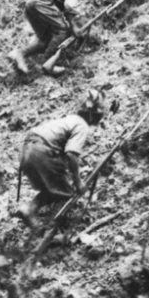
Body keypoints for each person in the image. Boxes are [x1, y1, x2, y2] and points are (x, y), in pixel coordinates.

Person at [17, 89, 105, 228]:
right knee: (66, 193)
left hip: (27, 152)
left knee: (54, 189)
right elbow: (71, 154)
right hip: (42, 152)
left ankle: (30, 210)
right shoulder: (81, 125)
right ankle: (53, 226)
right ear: (92, 115)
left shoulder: (68, 119)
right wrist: (78, 181)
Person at [8, 0, 103, 75]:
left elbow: (66, 9)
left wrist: (74, 25)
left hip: (32, 3)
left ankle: (19, 53)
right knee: (62, 29)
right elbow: (69, 5)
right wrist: (73, 26)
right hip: (42, 2)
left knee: (45, 40)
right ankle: (47, 63)